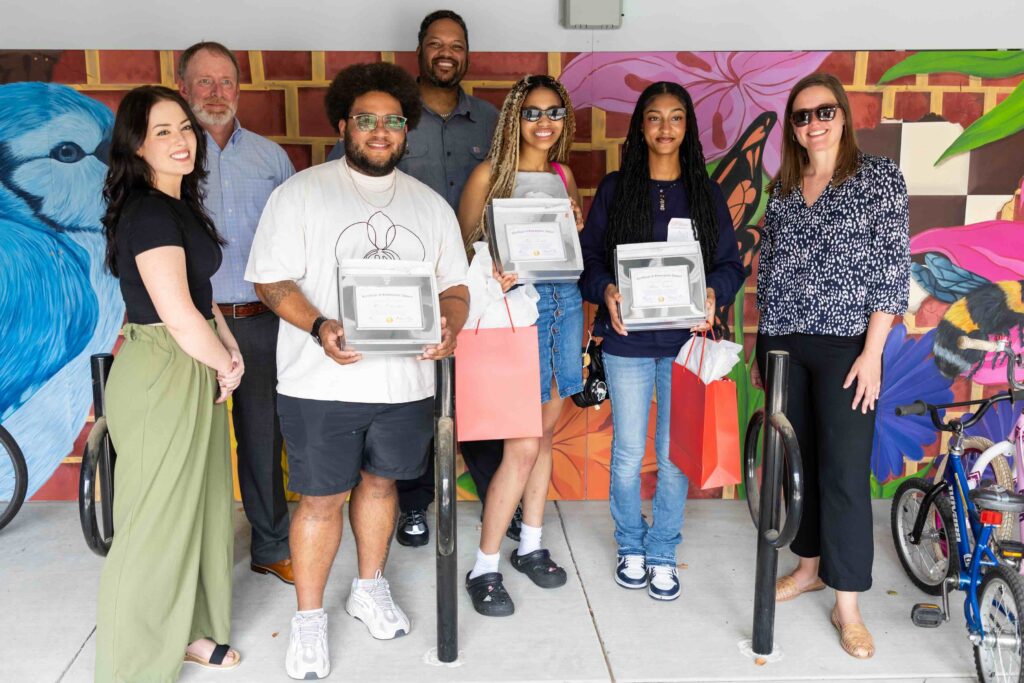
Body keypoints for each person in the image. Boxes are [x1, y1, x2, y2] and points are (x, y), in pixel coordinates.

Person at [245, 62, 469, 680]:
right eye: (365, 120)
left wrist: (450, 324)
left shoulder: (429, 207)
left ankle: (368, 588)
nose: (379, 131)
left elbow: (455, 285)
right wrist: (321, 327)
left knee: (381, 486)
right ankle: (310, 621)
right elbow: (270, 279)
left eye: (391, 121)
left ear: (406, 130)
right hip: (321, 383)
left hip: (405, 385)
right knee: (320, 499)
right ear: (344, 123)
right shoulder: (302, 192)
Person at [328, 10, 503, 548]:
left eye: (455, 44)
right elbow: (347, 185)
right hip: (397, 288)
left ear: (467, 53)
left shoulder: (492, 120)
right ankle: (412, 504)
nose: (445, 52)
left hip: (473, 285)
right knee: (414, 401)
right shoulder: (392, 118)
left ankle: (503, 500)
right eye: (435, 43)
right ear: (420, 51)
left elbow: (512, 186)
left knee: (482, 398)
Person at [753, 72, 909, 659]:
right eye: (801, 115)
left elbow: (892, 270)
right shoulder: (786, 186)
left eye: (823, 111)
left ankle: (847, 604)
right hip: (785, 345)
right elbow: (769, 271)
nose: (813, 123)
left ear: (842, 116)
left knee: (843, 473)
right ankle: (809, 566)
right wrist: (761, 346)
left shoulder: (877, 179)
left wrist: (873, 352)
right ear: (792, 128)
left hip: (848, 348)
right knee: (798, 463)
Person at [95, 85, 245, 681]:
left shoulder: (179, 202)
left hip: (191, 356)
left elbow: (199, 303)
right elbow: (175, 314)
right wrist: (224, 361)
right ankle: (129, 667)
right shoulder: (150, 211)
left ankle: (189, 629)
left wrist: (225, 343)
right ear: (135, 143)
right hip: (163, 368)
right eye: (163, 131)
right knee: (154, 520)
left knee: (200, 507)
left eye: (184, 127)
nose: (181, 140)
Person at [579, 81, 744, 602]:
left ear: (687, 127)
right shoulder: (614, 188)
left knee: (674, 456)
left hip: (683, 346)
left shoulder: (705, 193)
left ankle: (663, 551)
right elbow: (590, 262)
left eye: (676, 118)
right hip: (626, 344)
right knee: (628, 454)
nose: (665, 128)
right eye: (654, 118)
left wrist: (714, 295)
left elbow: (729, 265)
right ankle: (630, 543)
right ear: (640, 126)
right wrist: (606, 290)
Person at [457, 74, 584, 616]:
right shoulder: (490, 174)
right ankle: (484, 565)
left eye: (554, 112)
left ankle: (530, 544)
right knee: (522, 445)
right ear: (514, 116)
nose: (544, 123)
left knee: (547, 434)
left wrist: (573, 224)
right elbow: (460, 248)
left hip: (566, 307)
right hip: (516, 314)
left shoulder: (563, 174)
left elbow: (568, 248)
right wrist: (492, 267)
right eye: (532, 112)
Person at [178, 40, 297, 585]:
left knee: (262, 439)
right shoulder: (169, 154)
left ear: (239, 89)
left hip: (259, 321)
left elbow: (296, 244)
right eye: (204, 82)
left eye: (226, 82)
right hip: (191, 324)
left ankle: (271, 545)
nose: (216, 93)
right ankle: (194, 558)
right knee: (191, 443)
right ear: (183, 88)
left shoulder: (271, 158)